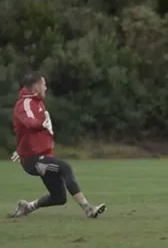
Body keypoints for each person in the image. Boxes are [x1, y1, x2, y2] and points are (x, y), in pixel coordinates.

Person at [8, 71, 106, 218]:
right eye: (44, 85)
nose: (46, 88)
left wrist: (22, 147)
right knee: (65, 168)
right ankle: (88, 209)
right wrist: (40, 126)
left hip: (43, 156)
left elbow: (27, 133)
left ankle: (27, 207)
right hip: (34, 160)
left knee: (59, 197)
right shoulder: (25, 103)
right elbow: (28, 123)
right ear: (36, 87)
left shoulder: (37, 102)